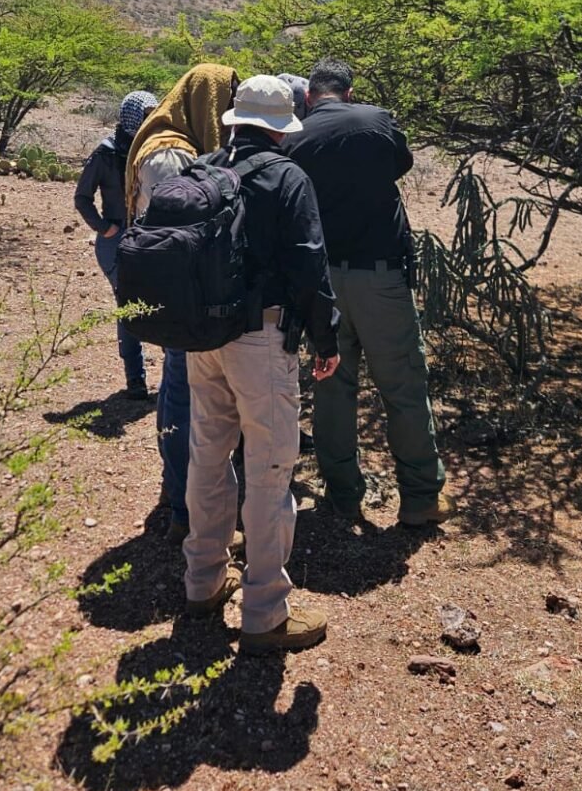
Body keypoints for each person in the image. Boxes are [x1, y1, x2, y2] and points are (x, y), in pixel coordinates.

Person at [183, 74, 339, 652]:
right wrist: (327, 340)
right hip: (263, 340)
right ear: (282, 125)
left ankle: (201, 583)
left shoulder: (203, 168)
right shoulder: (286, 176)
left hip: (204, 339)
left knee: (208, 455)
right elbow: (309, 266)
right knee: (270, 474)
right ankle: (265, 613)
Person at [282, 58, 451, 528]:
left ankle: (343, 494)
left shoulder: (292, 137)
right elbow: (400, 164)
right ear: (350, 93)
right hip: (381, 278)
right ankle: (420, 496)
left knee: (333, 386)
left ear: (310, 97)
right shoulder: (378, 121)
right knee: (403, 386)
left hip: (323, 283)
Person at [124, 63, 239, 543]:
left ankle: (182, 494)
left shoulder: (169, 140)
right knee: (182, 393)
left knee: (182, 390)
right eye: (225, 97)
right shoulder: (172, 153)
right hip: (182, 290)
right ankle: (184, 501)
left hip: (174, 287)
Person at [74, 90, 158, 399]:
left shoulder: (151, 150)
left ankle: (173, 371)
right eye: (146, 113)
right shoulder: (106, 152)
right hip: (117, 239)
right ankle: (135, 378)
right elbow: (82, 198)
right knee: (128, 306)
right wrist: (104, 227)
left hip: (148, 237)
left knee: (157, 301)